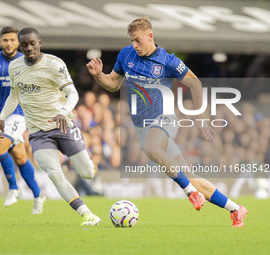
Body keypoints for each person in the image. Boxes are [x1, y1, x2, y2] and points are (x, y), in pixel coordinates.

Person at [86, 17, 248, 227]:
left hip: (164, 118)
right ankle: (235, 209)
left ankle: (189, 193)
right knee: (191, 177)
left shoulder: (168, 61)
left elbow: (196, 84)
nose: (134, 45)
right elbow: (114, 84)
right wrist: (99, 75)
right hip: (142, 126)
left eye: (138, 40)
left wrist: (200, 116)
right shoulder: (126, 55)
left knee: (153, 150)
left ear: (150, 36)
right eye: (132, 40)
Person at [0, 27, 101, 226]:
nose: (29, 48)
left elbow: (73, 93)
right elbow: (13, 96)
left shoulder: (54, 64)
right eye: (24, 45)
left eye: (32, 43)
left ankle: (88, 163)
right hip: (37, 133)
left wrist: (62, 112)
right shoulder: (15, 67)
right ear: (20, 46)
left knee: (87, 173)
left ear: (39, 43)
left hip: (63, 126)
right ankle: (86, 214)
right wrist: (2, 118)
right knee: (54, 173)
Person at [0, 26, 45, 214]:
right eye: (5, 40)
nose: (9, 43)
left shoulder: (26, 60)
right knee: (20, 157)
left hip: (20, 114)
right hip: (1, 117)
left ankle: (13, 188)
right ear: (0, 42)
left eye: (13, 40)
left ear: (18, 42)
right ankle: (38, 194)